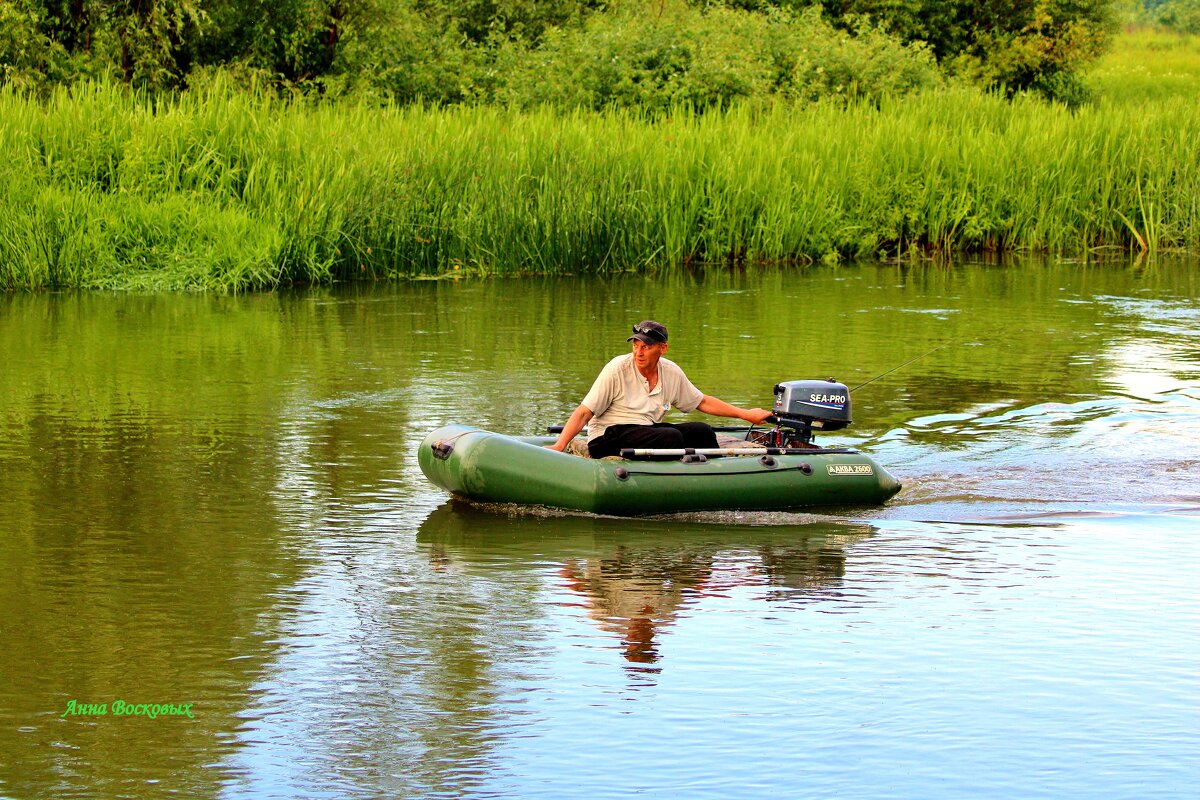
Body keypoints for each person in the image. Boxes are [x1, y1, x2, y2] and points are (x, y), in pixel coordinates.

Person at [547, 320, 773, 459]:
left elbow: (701, 402)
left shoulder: (671, 372)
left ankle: (710, 475)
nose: (639, 352)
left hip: (646, 432)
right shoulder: (617, 369)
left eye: (646, 347)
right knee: (671, 437)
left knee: (701, 431)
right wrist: (560, 445)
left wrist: (746, 414)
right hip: (608, 435)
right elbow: (584, 412)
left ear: (663, 348)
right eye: (635, 346)